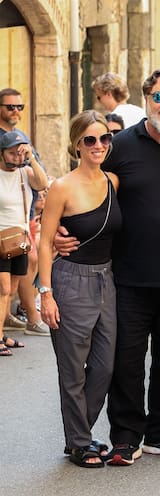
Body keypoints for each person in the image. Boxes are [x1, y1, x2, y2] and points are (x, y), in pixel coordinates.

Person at [56, 67, 160, 466]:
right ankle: (126, 435)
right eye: (159, 95)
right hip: (125, 279)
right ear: (146, 98)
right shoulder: (120, 145)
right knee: (124, 361)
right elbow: (85, 187)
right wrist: (61, 229)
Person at [38, 110, 121, 468]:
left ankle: (79, 434)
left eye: (104, 138)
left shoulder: (114, 182)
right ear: (77, 144)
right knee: (72, 368)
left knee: (104, 366)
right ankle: (80, 441)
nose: (99, 145)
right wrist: (45, 293)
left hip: (107, 281)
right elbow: (44, 243)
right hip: (70, 280)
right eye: (90, 139)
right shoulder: (62, 187)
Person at [0, 89, 50, 336]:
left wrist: (29, 158)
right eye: (10, 107)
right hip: (4, 229)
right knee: (4, 285)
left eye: (20, 106)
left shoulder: (20, 141)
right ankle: (31, 316)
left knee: (13, 282)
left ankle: (8, 320)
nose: (16, 111)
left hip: (23, 222)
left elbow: (41, 182)